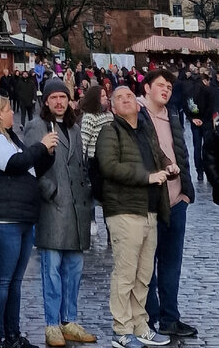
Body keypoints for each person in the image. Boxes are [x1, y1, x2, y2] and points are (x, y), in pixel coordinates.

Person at [0, 95, 57, 348]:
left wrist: (46, 154)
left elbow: (30, 169)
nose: (12, 114)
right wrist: (40, 146)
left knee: (14, 282)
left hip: (19, 216)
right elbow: (14, 164)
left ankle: (12, 334)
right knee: (1, 280)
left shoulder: (11, 139)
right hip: (2, 218)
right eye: (9, 110)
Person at [95, 86, 173, 348]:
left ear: (138, 104)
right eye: (119, 98)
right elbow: (109, 166)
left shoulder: (145, 129)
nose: (126, 99)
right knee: (125, 273)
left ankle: (141, 325)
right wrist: (147, 177)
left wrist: (168, 166)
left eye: (130, 96)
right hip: (124, 209)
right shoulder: (110, 131)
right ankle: (121, 329)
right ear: (113, 108)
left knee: (143, 274)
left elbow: (157, 156)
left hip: (149, 209)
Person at [24, 80, 96, 346]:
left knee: (74, 269)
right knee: (52, 270)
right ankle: (52, 324)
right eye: (53, 97)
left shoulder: (74, 128)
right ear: (46, 101)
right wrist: (50, 191)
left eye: (62, 97)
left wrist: (87, 191)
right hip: (53, 208)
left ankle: (70, 320)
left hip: (76, 208)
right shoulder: (37, 126)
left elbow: (81, 165)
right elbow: (31, 164)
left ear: (69, 101)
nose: (58, 102)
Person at [138, 70, 197, 339]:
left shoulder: (173, 114)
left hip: (177, 199)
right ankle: (150, 318)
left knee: (172, 263)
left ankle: (170, 318)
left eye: (169, 86)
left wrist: (185, 191)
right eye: (160, 85)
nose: (166, 90)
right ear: (147, 88)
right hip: (151, 199)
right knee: (148, 263)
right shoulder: (137, 116)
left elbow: (181, 151)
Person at [187, 72, 214, 182]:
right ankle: (208, 170)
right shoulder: (209, 91)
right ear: (205, 80)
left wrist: (192, 118)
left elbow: (187, 106)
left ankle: (199, 171)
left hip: (194, 122)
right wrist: (203, 120)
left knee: (196, 147)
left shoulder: (189, 91)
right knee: (207, 147)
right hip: (206, 123)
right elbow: (211, 108)